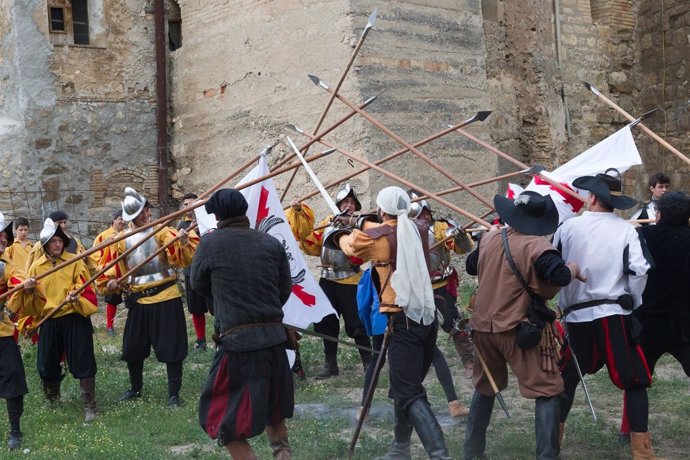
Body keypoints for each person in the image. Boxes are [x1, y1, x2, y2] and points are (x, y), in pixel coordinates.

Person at [334, 186, 451, 459]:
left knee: (408, 391)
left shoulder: (379, 236)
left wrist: (340, 230)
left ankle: (440, 454)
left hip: (403, 320)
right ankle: (400, 448)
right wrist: (359, 221)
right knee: (405, 385)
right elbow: (388, 226)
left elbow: (350, 246)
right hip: (425, 316)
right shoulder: (418, 227)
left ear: (381, 209)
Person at [464, 191, 581, 460]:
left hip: (482, 329)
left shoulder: (490, 236)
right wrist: (573, 268)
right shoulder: (537, 247)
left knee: (485, 388)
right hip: (518, 329)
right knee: (548, 390)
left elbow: (472, 266)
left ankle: (471, 453)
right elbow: (560, 275)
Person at [554, 169, 658, 459]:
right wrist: (633, 299)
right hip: (614, 314)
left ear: (591, 197)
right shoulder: (626, 230)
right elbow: (639, 271)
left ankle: (552, 445)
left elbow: (553, 268)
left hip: (577, 317)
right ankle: (642, 452)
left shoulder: (567, 229)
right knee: (633, 380)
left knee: (567, 379)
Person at [191, 189, 293, 460]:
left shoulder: (210, 244)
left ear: (218, 215)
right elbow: (284, 289)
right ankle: (283, 454)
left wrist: (224, 301)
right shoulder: (270, 242)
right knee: (274, 409)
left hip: (239, 345)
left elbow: (197, 283)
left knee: (219, 417)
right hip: (273, 339)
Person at [98, 187, 198, 408]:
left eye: (147, 210)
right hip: (138, 299)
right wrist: (113, 282)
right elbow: (110, 271)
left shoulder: (161, 232)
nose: (147, 215)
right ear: (132, 217)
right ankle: (135, 388)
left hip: (165, 296)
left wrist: (181, 242)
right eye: (142, 212)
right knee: (133, 349)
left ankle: (174, 394)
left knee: (172, 349)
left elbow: (183, 259)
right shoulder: (119, 241)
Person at [618, 191, 690, 444]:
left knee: (637, 381)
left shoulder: (642, 237)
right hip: (682, 322)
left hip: (646, 322)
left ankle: (630, 431)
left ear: (658, 215)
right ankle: (630, 432)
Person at [286, 183, 371, 379]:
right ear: (339, 204)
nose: (348, 205)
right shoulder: (328, 222)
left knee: (357, 324)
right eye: (345, 201)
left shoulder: (360, 225)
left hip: (351, 279)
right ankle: (330, 365)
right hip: (327, 280)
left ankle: (368, 363)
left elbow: (364, 252)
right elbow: (309, 243)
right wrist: (299, 212)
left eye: (351, 202)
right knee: (326, 323)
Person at [25, 218, 99, 423]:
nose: (58, 244)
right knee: (46, 363)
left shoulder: (75, 261)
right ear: (46, 244)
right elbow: (30, 302)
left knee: (83, 360)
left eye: (60, 240)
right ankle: (52, 400)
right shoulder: (37, 268)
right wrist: (29, 289)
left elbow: (87, 288)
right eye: (53, 241)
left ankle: (90, 406)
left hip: (74, 316)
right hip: (49, 319)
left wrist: (76, 294)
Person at [410, 192, 475, 379]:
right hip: (416, 287)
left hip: (441, 284)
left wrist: (458, 235)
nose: (424, 216)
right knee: (418, 326)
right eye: (420, 213)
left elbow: (463, 248)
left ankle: (469, 359)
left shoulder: (438, 227)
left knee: (453, 322)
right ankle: (422, 361)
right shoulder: (404, 230)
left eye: (426, 212)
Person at [0, 212, 41, 450]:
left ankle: (15, 431)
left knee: (13, 376)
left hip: (2, 330)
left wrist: (26, 287)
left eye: (5, 236)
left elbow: (17, 281)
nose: (4, 239)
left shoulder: (6, 264)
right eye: (1, 235)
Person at [177, 192, 212, 351]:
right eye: (185, 205)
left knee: (216, 305)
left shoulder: (209, 220)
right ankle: (201, 340)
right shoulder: (181, 227)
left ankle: (221, 336)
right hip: (191, 271)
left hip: (211, 270)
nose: (189, 207)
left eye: (192, 203)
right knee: (196, 308)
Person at [90, 209, 126, 336]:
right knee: (112, 300)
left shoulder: (128, 234)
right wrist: (104, 269)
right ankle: (110, 327)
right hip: (111, 274)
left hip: (126, 273)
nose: (122, 221)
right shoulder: (103, 236)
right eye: (120, 219)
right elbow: (95, 255)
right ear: (114, 220)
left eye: (123, 219)